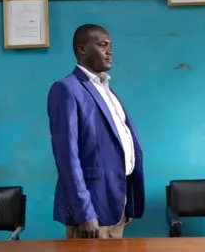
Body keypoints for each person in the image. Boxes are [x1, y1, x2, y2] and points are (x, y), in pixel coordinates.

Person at [47, 24, 145, 239]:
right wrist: (84, 212)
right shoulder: (67, 89)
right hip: (91, 207)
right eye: (102, 45)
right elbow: (67, 157)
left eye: (111, 46)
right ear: (82, 49)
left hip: (116, 202)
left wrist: (126, 201)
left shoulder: (107, 91)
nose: (110, 51)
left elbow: (120, 148)